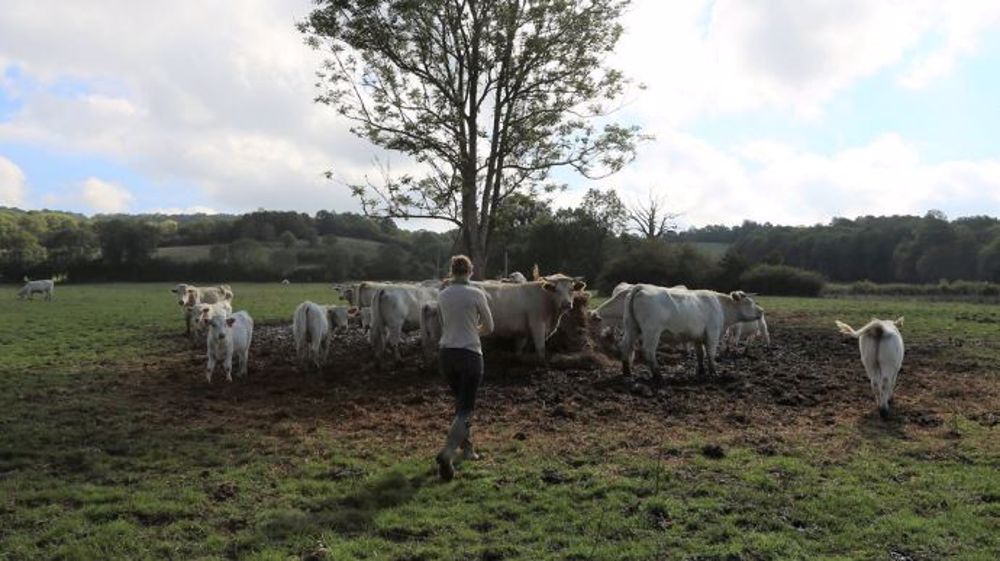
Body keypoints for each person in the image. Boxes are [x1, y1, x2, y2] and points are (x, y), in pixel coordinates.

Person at [435, 255, 494, 481]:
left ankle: (468, 449)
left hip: (446, 354)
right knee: (466, 409)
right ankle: (447, 453)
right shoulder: (476, 293)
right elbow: (490, 326)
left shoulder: (442, 295)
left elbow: (444, 325)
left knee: (460, 405)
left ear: (452, 271)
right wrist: (473, 330)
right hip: (469, 353)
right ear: (471, 271)